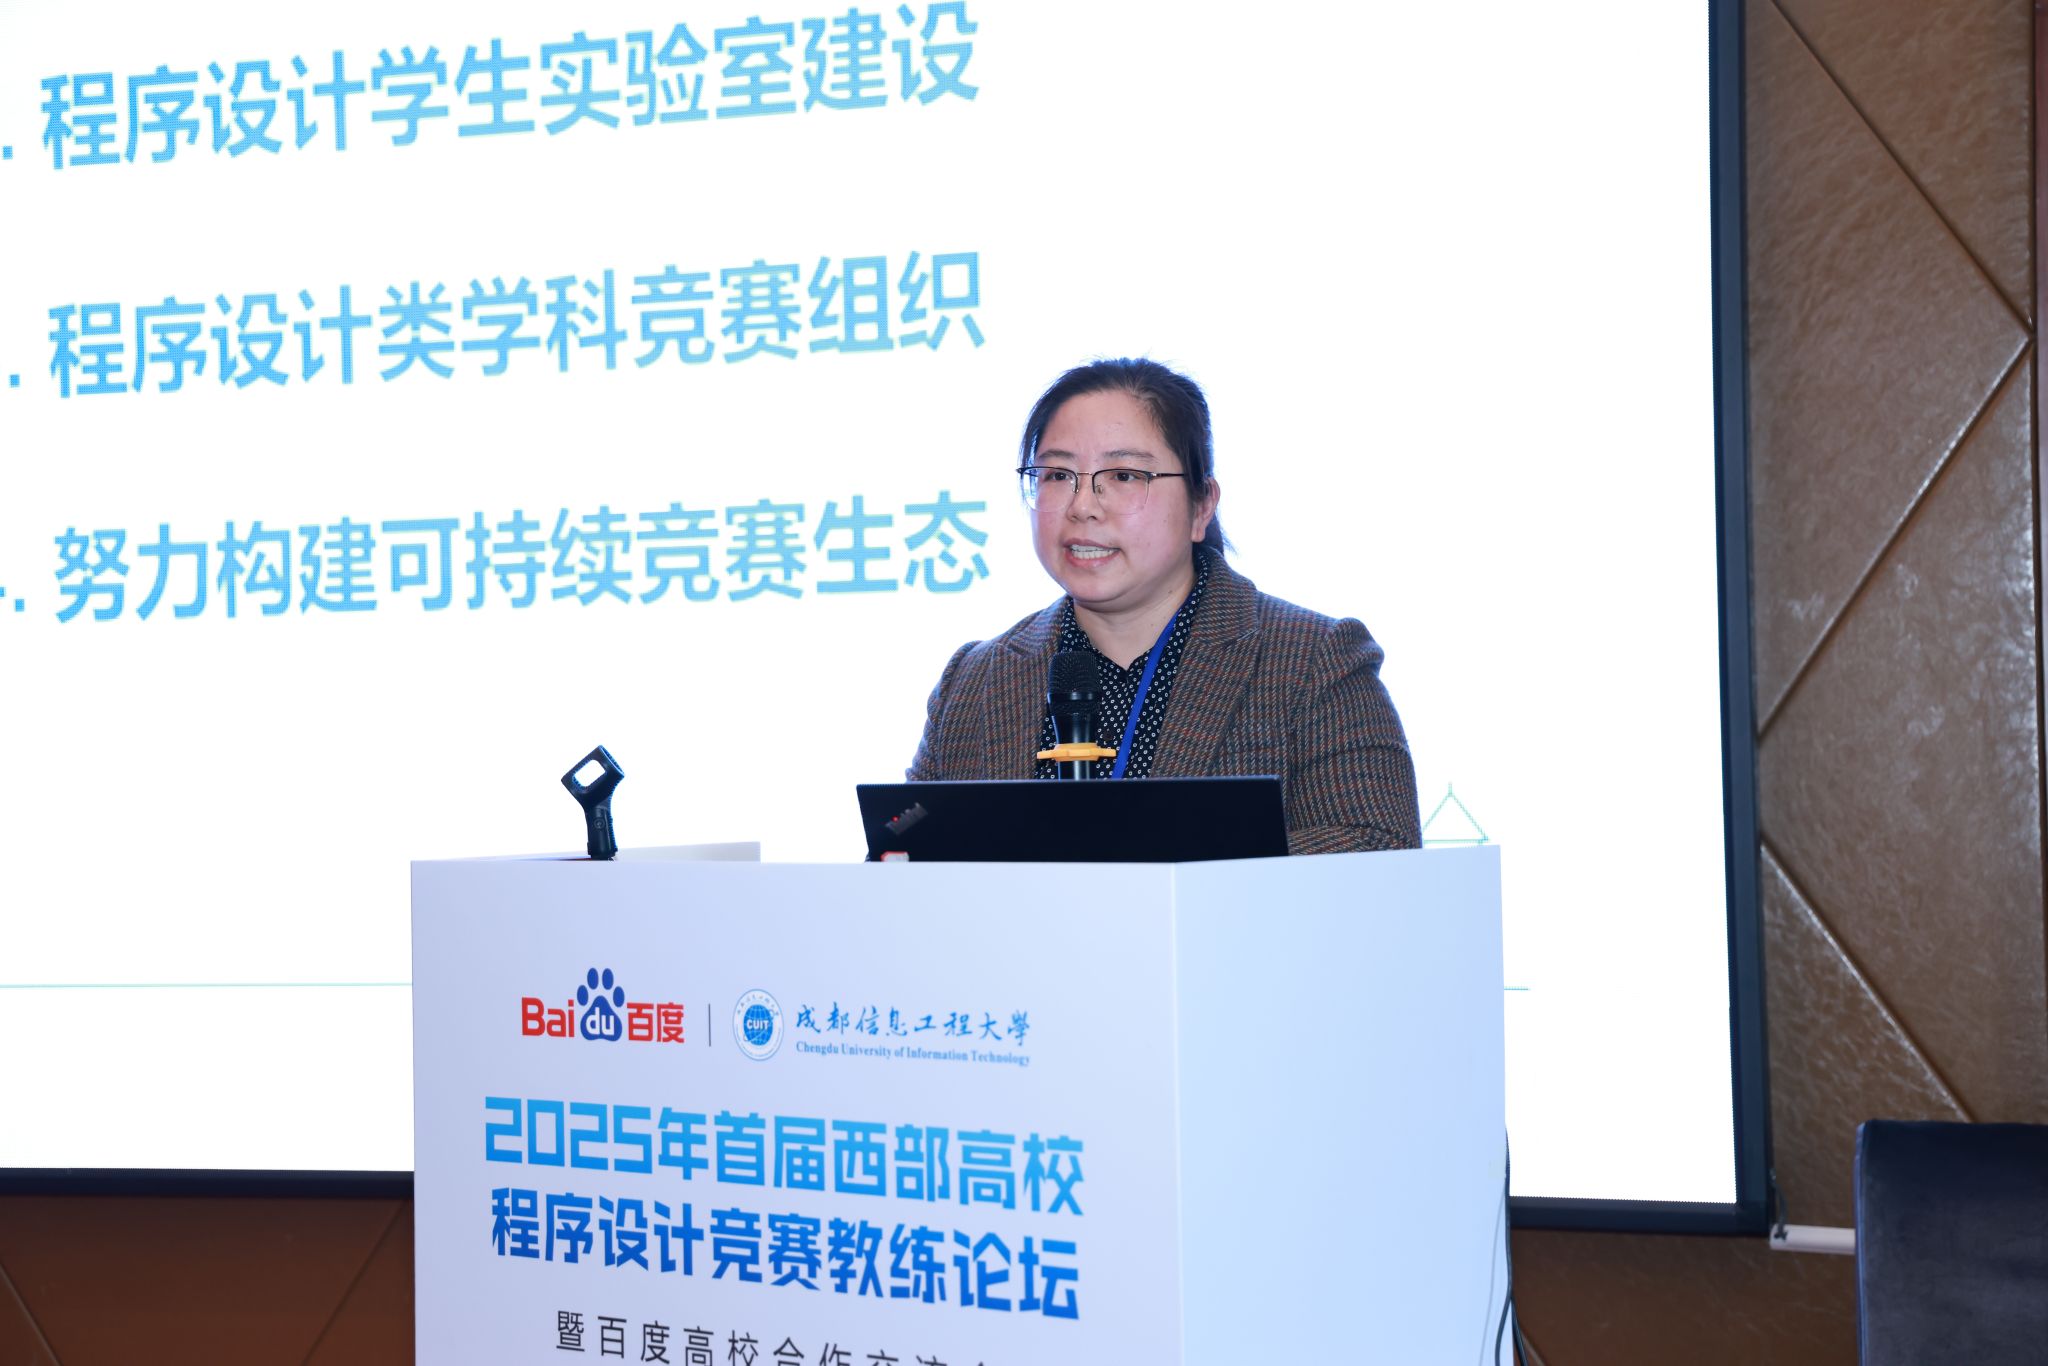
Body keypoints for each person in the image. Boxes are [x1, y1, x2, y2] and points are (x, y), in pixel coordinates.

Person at [908, 358, 1422, 854]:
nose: (1082, 506)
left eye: (1125, 476)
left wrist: (1143, 860)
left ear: (1202, 505)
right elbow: (905, 853)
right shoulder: (973, 680)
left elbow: (1379, 850)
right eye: (1057, 475)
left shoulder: (1315, 662)